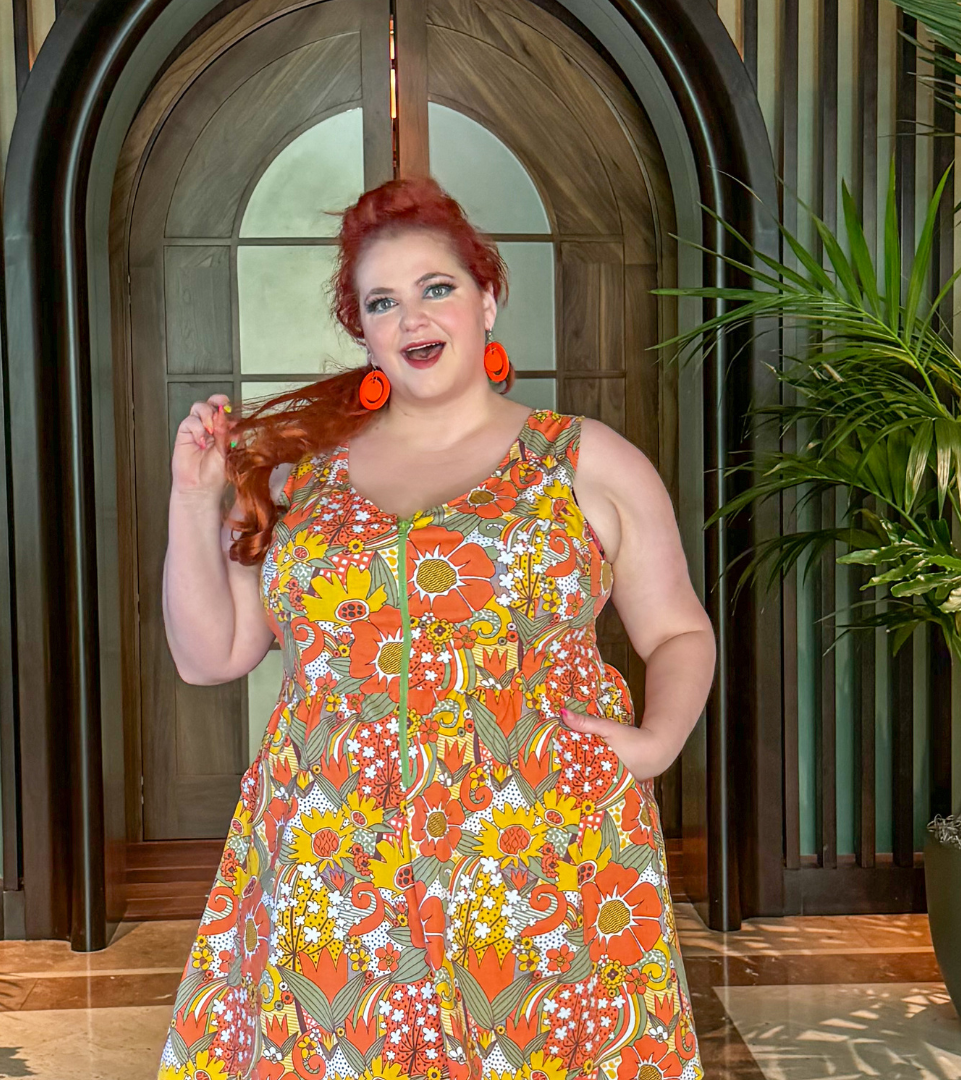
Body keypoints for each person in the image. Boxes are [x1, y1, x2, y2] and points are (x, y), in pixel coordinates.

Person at [158, 176, 715, 1080]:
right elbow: (208, 654)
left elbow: (680, 633)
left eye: (437, 287)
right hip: (335, 855)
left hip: (541, 846)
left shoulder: (585, 459)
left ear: (488, 298)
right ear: (365, 331)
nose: (413, 315)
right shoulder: (306, 480)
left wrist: (655, 744)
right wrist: (194, 500)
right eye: (384, 301)